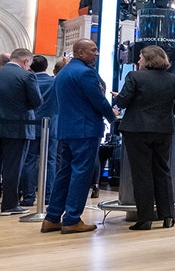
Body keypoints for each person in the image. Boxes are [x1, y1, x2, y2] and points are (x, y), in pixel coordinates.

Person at [43, 39, 116, 234]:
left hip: (66, 129)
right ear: (80, 53)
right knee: (81, 174)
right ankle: (72, 219)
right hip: (85, 130)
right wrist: (112, 116)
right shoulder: (85, 73)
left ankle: (51, 218)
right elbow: (98, 100)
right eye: (93, 50)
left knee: (64, 172)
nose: (97, 53)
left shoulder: (63, 72)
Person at [113, 45, 175, 230]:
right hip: (163, 129)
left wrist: (118, 97)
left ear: (147, 59)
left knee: (142, 174)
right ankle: (168, 215)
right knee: (163, 170)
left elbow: (123, 101)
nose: (138, 61)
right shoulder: (174, 80)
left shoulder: (134, 77)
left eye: (140, 57)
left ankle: (145, 218)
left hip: (137, 129)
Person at [0, 48, 42, 215]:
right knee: (13, 167)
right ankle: (10, 204)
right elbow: (37, 101)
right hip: (18, 127)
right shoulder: (27, 76)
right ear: (26, 62)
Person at [19, 55, 58, 207]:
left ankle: (28, 197)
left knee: (29, 161)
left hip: (30, 126)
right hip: (51, 126)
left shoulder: (26, 82)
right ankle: (48, 196)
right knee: (50, 161)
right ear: (46, 66)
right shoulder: (54, 83)